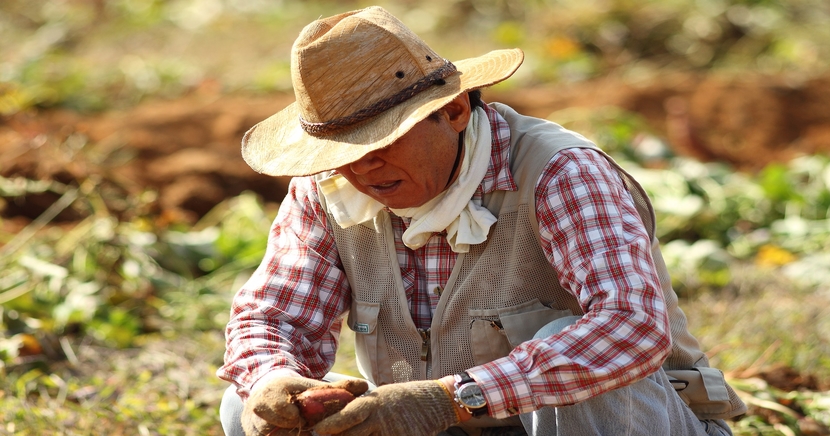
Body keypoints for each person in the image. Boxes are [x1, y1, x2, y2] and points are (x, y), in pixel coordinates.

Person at [217, 6, 746, 436]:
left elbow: (630, 328)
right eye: (343, 150)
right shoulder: (326, 192)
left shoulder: (559, 172)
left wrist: (451, 399)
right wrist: (273, 378)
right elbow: (273, 317)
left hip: (632, 424)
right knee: (249, 412)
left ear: (453, 112)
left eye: (381, 139)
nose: (362, 166)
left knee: (591, 361)